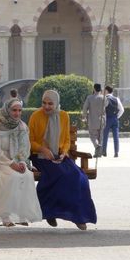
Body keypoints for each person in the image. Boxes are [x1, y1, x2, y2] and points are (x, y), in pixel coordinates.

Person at [28, 90, 97, 230]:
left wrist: (64, 153)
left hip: (59, 155)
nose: (46, 107)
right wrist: (43, 150)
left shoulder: (63, 116)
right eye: (44, 103)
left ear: (56, 103)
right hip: (39, 156)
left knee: (79, 177)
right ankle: (50, 212)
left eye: (50, 104)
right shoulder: (35, 116)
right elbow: (30, 141)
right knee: (60, 175)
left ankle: (79, 216)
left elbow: (66, 139)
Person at [0, 99, 42, 227]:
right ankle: (5, 215)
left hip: (18, 162)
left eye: (19, 110)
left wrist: (23, 163)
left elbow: (25, 149)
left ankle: (21, 215)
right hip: (1, 161)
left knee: (27, 176)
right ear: (7, 110)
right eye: (14, 110)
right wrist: (11, 163)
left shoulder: (22, 126)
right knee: (12, 176)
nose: (17, 113)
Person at [81, 83, 106, 158]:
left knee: (92, 136)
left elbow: (85, 108)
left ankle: (97, 146)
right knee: (100, 137)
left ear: (94, 89)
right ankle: (98, 153)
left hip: (93, 120)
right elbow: (106, 106)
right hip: (102, 120)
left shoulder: (90, 98)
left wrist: (84, 117)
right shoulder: (104, 97)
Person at [102, 86, 125, 158]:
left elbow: (102, 110)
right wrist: (116, 116)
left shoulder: (105, 99)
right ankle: (116, 152)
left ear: (106, 91)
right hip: (115, 119)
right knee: (116, 136)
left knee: (105, 136)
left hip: (107, 119)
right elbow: (122, 110)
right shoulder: (116, 99)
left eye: (104, 90)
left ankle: (104, 151)